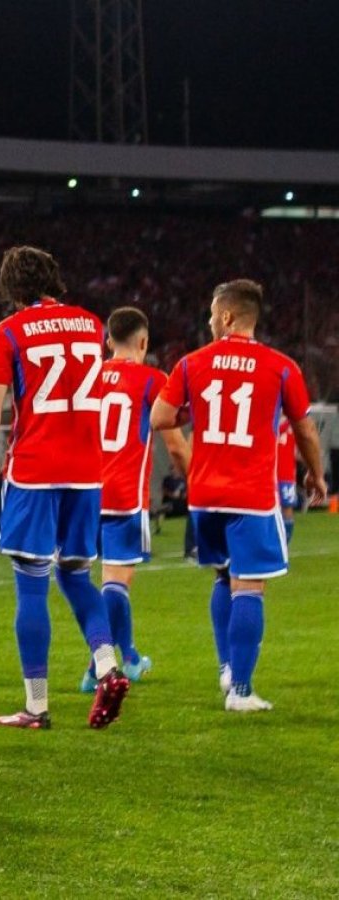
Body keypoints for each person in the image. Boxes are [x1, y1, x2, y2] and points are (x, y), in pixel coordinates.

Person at [0, 245, 129, 731]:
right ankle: (107, 665)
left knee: (31, 582)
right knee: (77, 575)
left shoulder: (9, 332)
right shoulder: (89, 324)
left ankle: (36, 707)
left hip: (36, 469)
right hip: (86, 470)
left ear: (11, 288)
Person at [150, 279, 327, 712]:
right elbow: (304, 428)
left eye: (213, 313)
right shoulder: (281, 366)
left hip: (206, 494)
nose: (210, 320)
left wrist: (200, 416)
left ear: (228, 316)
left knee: (220, 576)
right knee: (249, 586)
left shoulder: (193, 363)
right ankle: (243, 692)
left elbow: (160, 417)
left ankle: (227, 669)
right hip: (252, 494)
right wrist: (316, 476)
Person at [82, 307, 189, 694]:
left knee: (83, 580)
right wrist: (197, 481)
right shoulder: (152, 380)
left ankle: (126, 656)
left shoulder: (87, 377)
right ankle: (100, 667)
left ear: (108, 341)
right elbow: (175, 445)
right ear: (143, 342)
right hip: (124, 495)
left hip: (81, 493)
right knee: (116, 581)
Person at [276, 416, 298, 542]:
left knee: (287, 507)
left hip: (286, 472)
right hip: (270, 471)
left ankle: (285, 542)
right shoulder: (272, 420)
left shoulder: (295, 422)